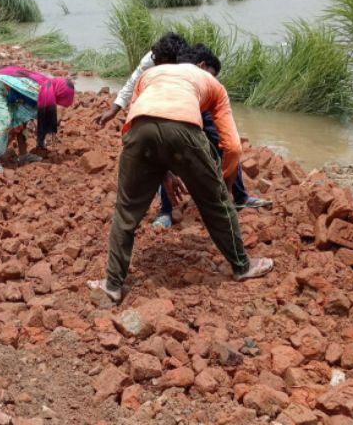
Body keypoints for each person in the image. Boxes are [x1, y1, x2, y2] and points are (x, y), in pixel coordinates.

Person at [88, 34, 274, 303]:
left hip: (137, 131)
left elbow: (146, 121)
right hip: (184, 130)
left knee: (126, 211)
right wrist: (220, 183)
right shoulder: (213, 84)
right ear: (201, 66)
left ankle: (113, 284)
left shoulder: (149, 74)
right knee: (217, 204)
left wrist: (162, 172)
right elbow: (232, 147)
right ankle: (242, 267)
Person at [96, 35, 271, 229]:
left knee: (225, 140)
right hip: (169, 106)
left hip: (196, 103)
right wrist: (115, 109)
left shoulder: (194, 69)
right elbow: (134, 84)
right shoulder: (153, 62)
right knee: (166, 150)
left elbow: (231, 146)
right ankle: (167, 209)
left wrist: (227, 187)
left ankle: (239, 196)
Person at [0, 66, 74, 174]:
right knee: (3, 121)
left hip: (7, 90)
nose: (56, 103)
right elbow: (20, 120)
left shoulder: (48, 86)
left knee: (22, 121)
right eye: (58, 101)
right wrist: (12, 131)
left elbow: (24, 118)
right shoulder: (39, 93)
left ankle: (23, 155)